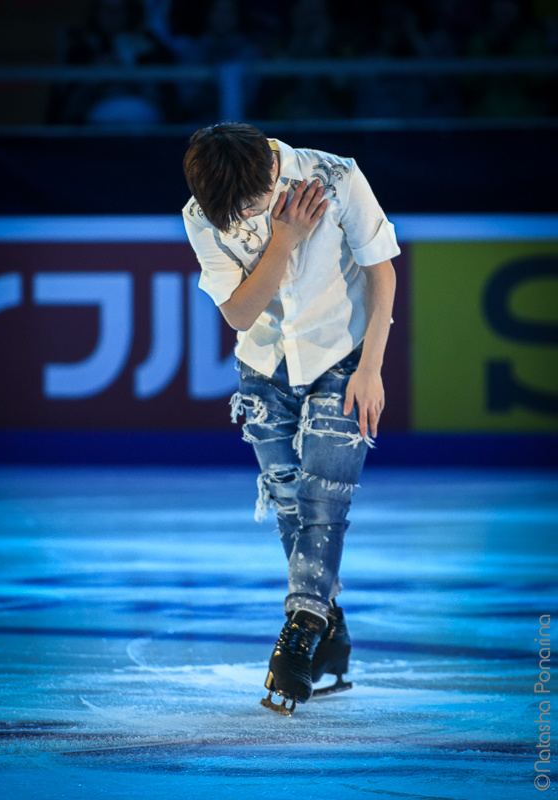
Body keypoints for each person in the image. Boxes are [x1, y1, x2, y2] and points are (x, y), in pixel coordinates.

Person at [182, 122, 399, 716]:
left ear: (271, 172)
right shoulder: (201, 213)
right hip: (263, 365)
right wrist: (282, 238)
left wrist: (372, 367)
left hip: (344, 357)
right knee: (288, 504)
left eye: (251, 204)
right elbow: (241, 312)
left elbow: (381, 269)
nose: (242, 217)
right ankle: (331, 631)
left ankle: (300, 636)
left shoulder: (336, 174)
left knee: (324, 500)